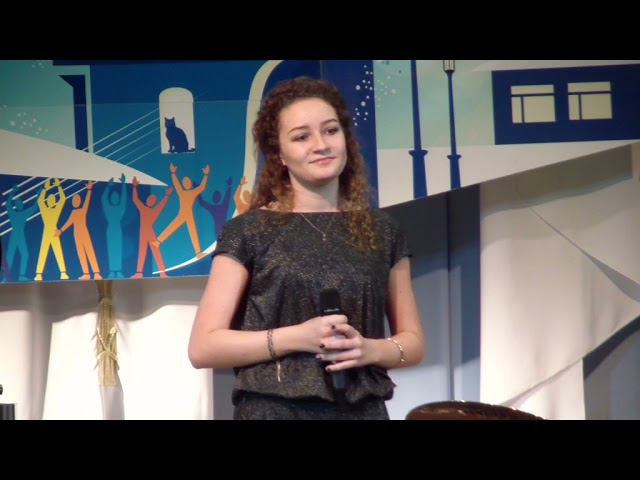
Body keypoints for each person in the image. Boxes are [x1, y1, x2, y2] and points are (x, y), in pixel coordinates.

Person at [188, 77, 425, 420]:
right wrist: (298, 337)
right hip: (273, 411)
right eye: (301, 137)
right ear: (279, 155)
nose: (321, 145)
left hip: (361, 410)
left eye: (330, 131)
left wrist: (369, 349)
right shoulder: (250, 231)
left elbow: (413, 343)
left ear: (346, 139)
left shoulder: (383, 231)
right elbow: (203, 347)